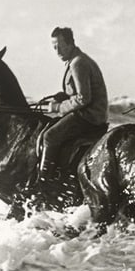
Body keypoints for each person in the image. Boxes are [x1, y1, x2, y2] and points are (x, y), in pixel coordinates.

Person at [38, 26, 109, 184]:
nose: (56, 51)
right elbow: (76, 92)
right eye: (53, 47)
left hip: (89, 117)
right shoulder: (76, 60)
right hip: (89, 113)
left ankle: (43, 183)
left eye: (59, 46)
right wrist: (61, 97)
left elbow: (84, 98)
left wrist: (57, 107)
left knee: (49, 136)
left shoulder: (78, 63)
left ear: (70, 43)